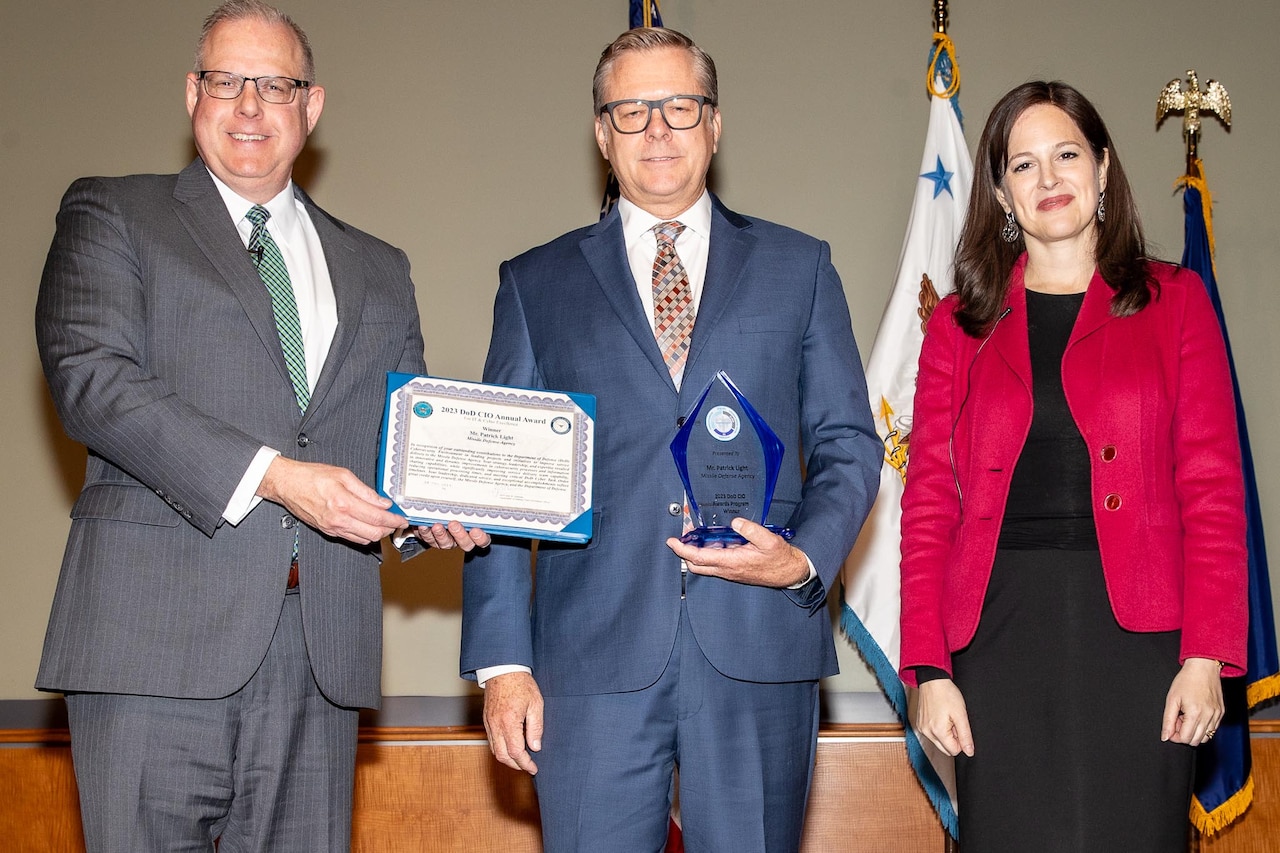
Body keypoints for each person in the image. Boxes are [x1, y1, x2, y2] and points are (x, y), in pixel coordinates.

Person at [34, 2, 487, 850]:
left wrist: (437, 503)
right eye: (226, 81)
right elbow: (93, 383)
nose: (249, 107)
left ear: (310, 108)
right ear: (191, 93)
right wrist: (276, 476)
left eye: (273, 85)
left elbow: (405, 437)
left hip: (316, 658)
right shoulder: (114, 214)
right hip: (150, 649)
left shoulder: (379, 268)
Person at [460, 27, 881, 853]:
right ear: (601, 133)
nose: (657, 129)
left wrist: (803, 560)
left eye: (679, 107)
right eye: (632, 110)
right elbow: (499, 483)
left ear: (715, 125)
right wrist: (502, 661)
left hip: (759, 649)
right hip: (589, 664)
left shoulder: (800, 267)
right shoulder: (535, 284)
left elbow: (848, 444)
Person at [898, 80, 1248, 852]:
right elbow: (927, 504)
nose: (1048, 178)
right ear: (999, 192)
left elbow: (1215, 490)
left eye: (1065, 155)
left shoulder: (1176, 301)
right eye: (1023, 165)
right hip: (996, 642)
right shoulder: (958, 325)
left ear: (1102, 169)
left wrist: (1206, 656)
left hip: (1144, 644)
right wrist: (929, 666)